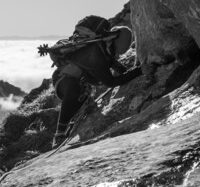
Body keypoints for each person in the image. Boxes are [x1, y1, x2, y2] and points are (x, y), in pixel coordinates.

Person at [48, 15, 151, 148]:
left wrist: (132, 71)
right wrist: (139, 71)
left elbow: (114, 64)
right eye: (115, 50)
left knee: (76, 91)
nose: (116, 54)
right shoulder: (95, 53)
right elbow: (110, 81)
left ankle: (82, 101)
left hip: (79, 82)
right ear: (110, 40)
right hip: (63, 81)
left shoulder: (103, 48)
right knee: (72, 89)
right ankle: (60, 133)